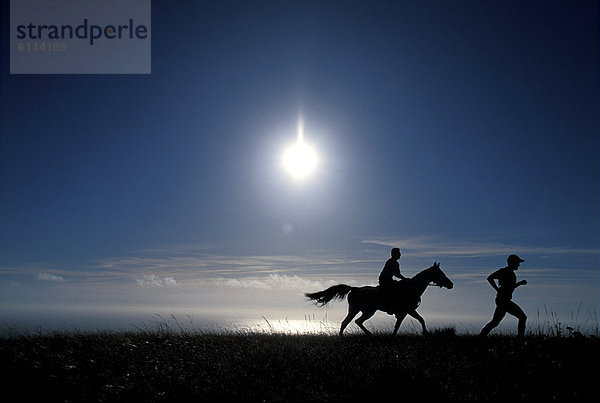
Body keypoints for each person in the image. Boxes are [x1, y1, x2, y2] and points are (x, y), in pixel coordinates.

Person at [480, 254, 528, 337]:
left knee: (495, 322)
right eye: (518, 263)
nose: (519, 265)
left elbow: (510, 288)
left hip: (502, 300)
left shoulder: (509, 273)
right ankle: (520, 339)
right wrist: (497, 289)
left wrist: (519, 284)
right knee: (522, 317)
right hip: (503, 300)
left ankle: (481, 337)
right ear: (513, 263)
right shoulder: (505, 271)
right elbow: (490, 278)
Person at [378, 248, 407, 313]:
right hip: (385, 280)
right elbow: (396, 274)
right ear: (394, 254)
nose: (400, 255)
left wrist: (404, 279)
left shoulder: (394, 262)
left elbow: (397, 274)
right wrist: (405, 279)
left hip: (388, 280)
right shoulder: (392, 262)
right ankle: (390, 306)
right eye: (398, 253)